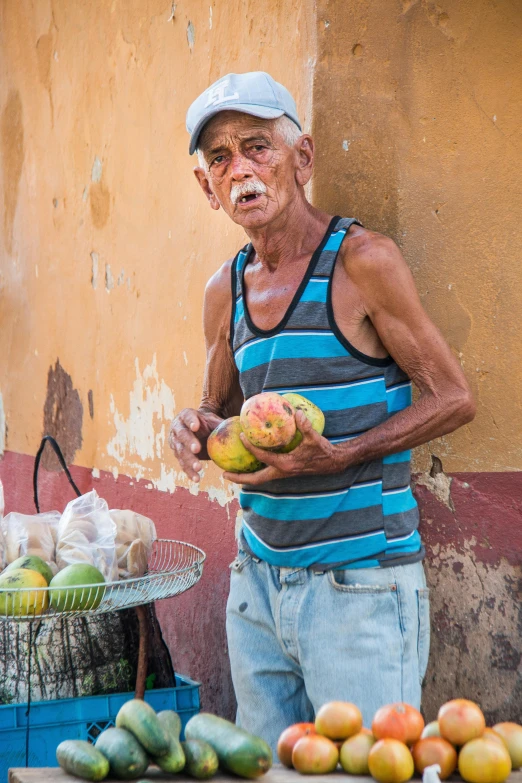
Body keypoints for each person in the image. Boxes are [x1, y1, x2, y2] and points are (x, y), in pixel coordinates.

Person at [169, 72, 475, 752]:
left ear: (301, 158)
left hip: (359, 585)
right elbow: (213, 408)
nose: (240, 169)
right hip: (256, 584)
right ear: (206, 187)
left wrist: (342, 454)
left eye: (258, 147)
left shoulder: (363, 261)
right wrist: (189, 429)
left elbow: (454, 395)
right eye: (219, 158)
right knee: (268, 768)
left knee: (369, 769)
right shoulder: (226, 289)